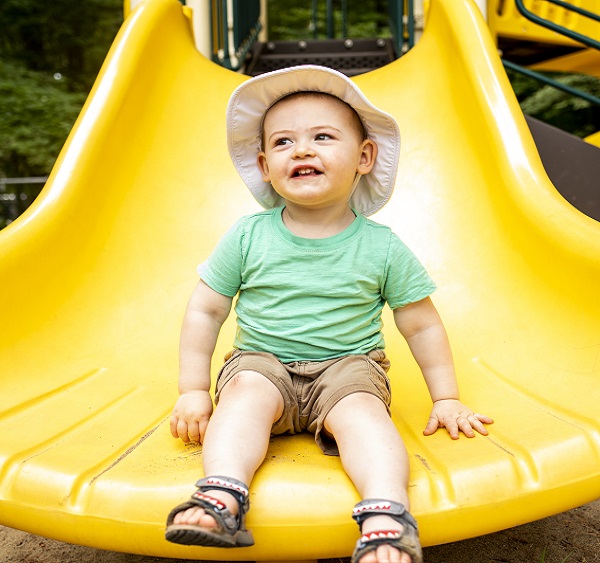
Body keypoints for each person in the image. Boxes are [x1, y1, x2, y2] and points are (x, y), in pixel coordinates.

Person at [165, 65, 493, 563]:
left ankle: (387, 516)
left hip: (349, 367)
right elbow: (206, 311)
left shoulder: (382, 247)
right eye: (282, 142)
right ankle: (221, 496)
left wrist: (445, 398)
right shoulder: (248, 235)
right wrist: (193, 389)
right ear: (264, 164)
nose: (301, 150)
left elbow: (421, 323)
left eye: (322, 137)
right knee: (244, 395)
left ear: (364, 157)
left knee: (363, 413)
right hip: (262, 361)